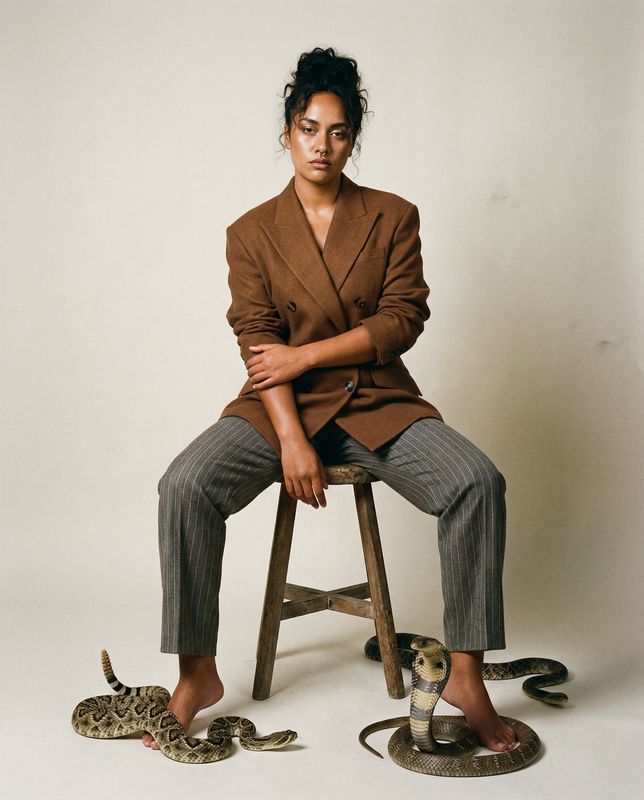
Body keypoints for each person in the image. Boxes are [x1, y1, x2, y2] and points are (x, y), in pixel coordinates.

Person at [145, 46, 516, 753]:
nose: (322, 145)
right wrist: (289, 438)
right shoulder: (250, 233)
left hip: (377, 400)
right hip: (279, 404)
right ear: (288, 132)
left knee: (477, 481)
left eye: (338, 131)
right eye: (309, 128)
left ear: (353, 138)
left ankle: (466, 672)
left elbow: (401, 320)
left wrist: (308, 352)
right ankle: (196, 673)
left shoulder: (392, 217)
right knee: (184, 485)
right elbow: (258, 343)